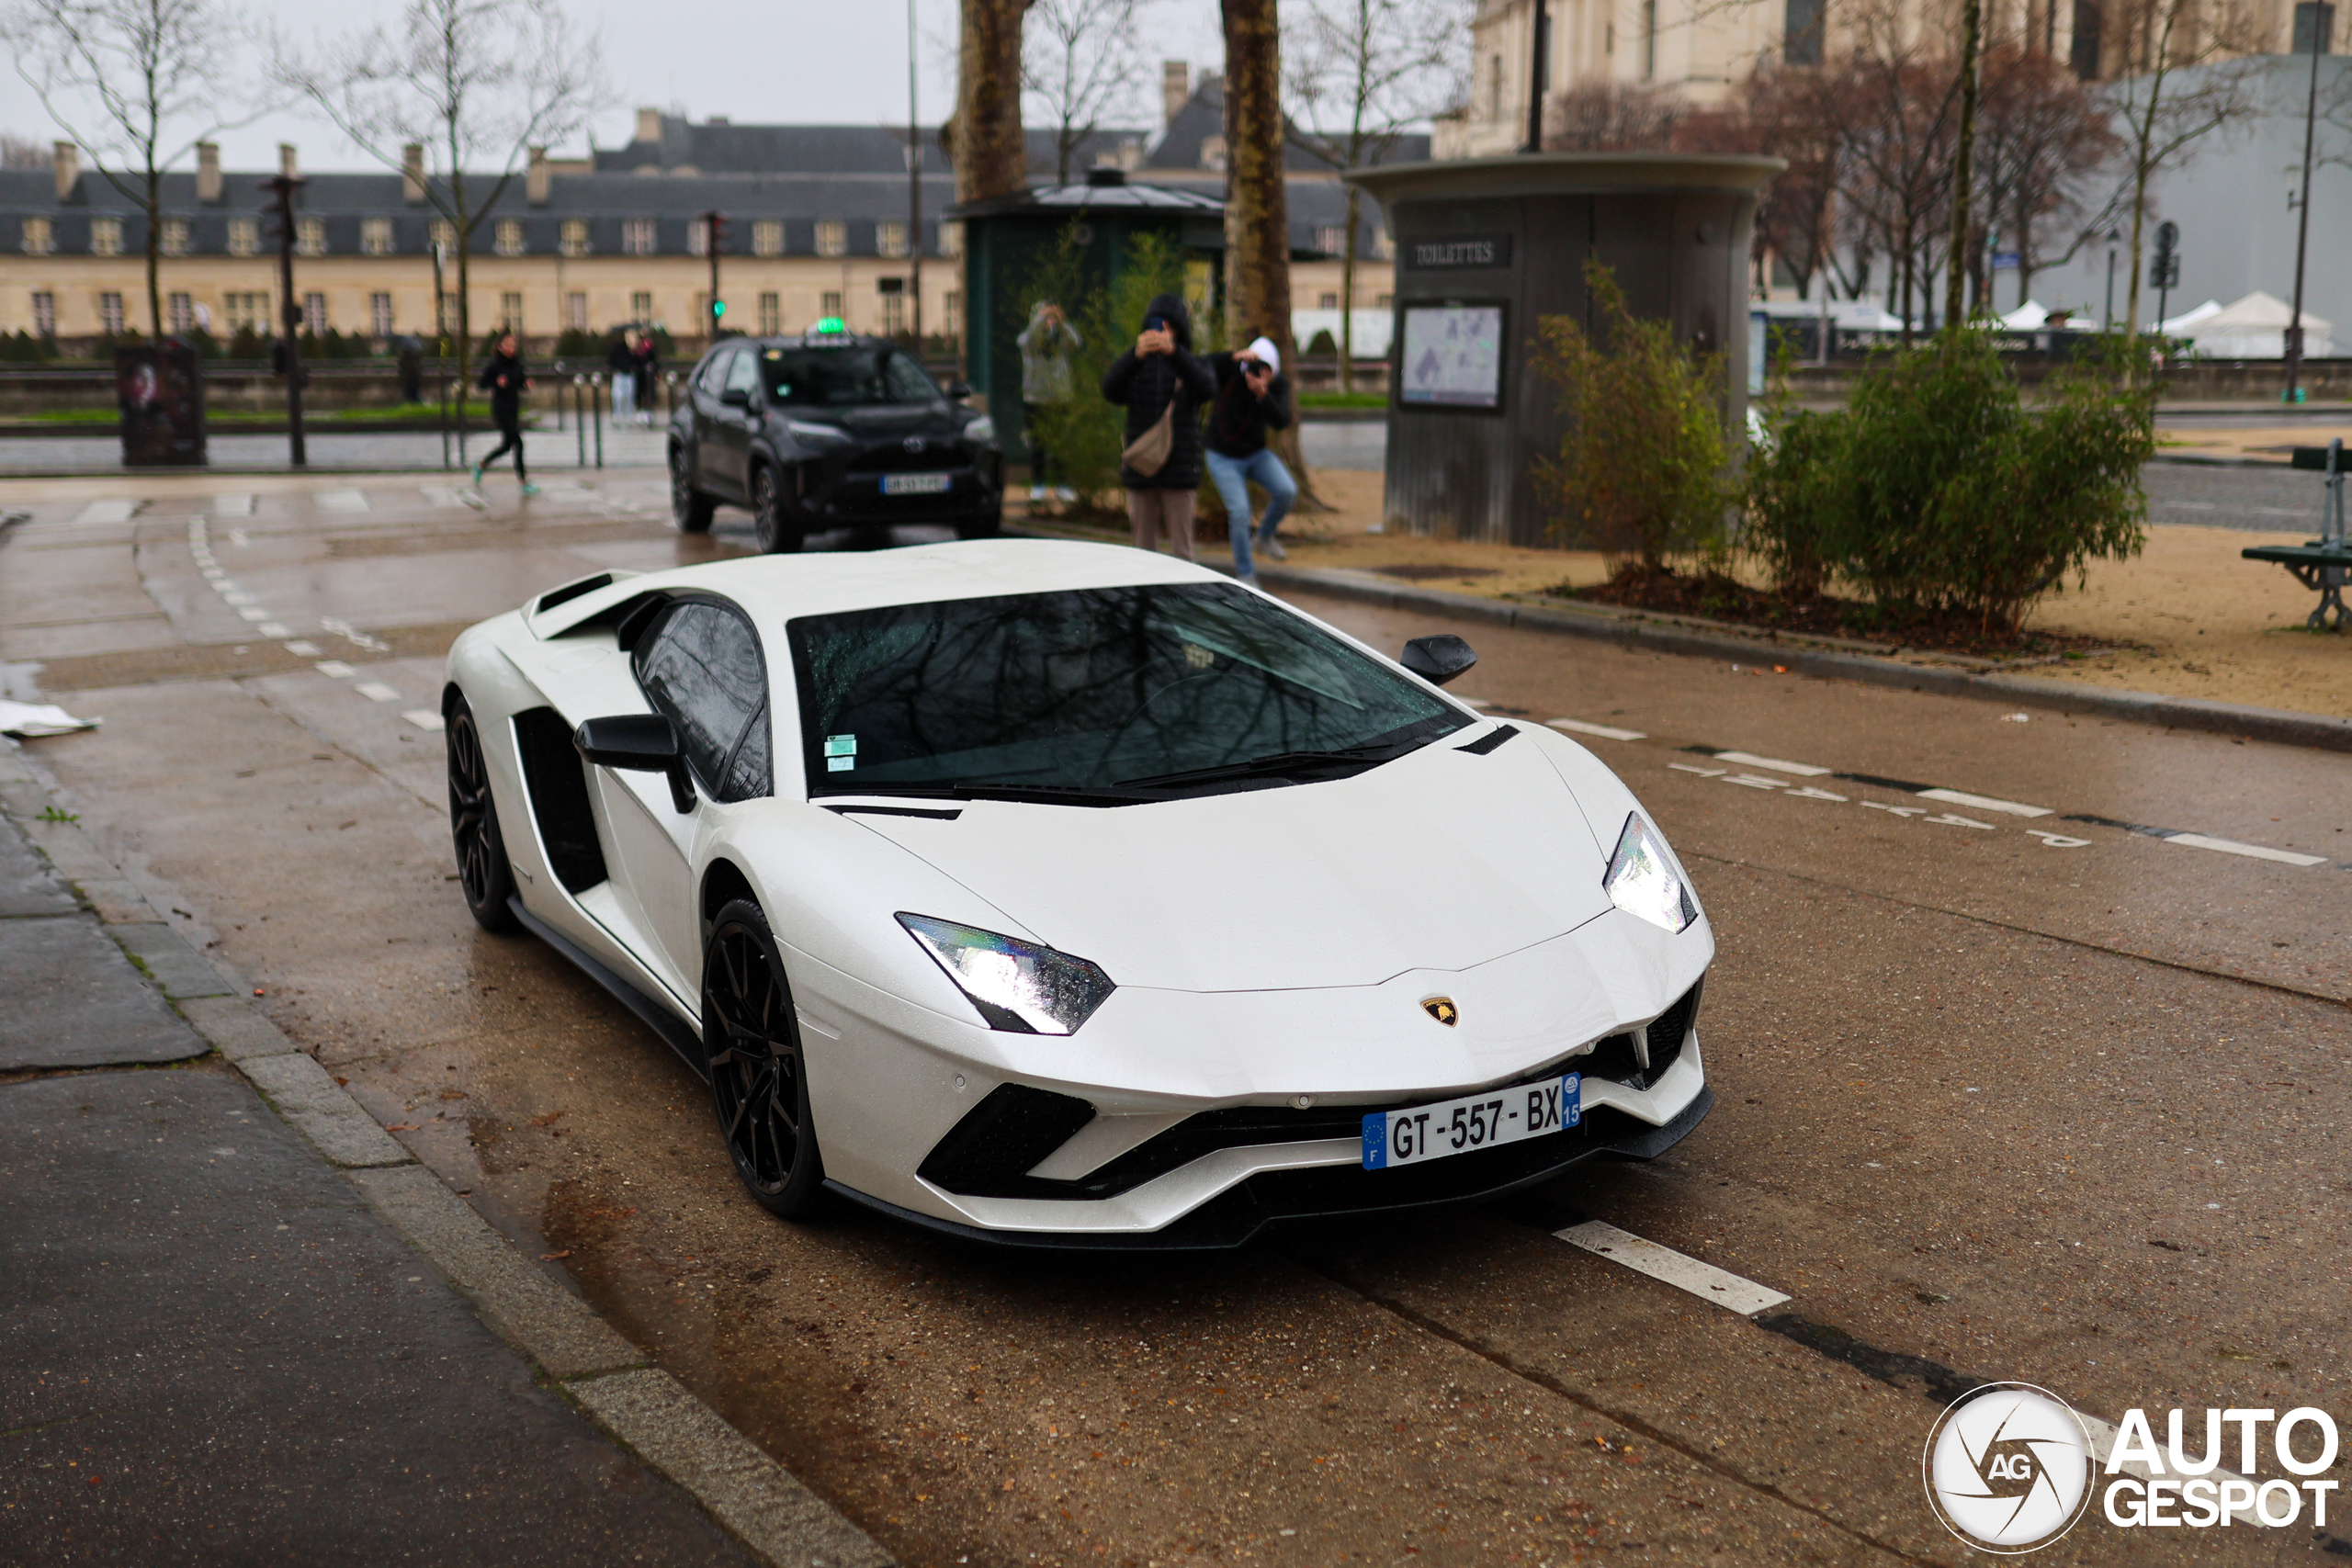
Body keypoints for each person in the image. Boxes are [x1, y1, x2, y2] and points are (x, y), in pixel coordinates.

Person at [1101, 291, 1213, 561]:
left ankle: (1181, 602)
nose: (1160, 332)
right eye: (1154, 325)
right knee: (1143, 552)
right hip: (1141, 467)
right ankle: (1144, 601)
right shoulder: (1136, 365)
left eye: (1167, 326)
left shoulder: (1190, 363)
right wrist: (1134, 355)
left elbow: (1207, 388)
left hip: (1180, 469)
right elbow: (1110, 390)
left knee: (1182, 552)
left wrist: (1175, 353)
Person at [1202, 335, 1297, 585]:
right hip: (1222, 456)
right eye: (1257, 367)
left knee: (1287, 491)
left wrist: (1263, 394)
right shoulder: (1231, 371)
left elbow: (1282, 420)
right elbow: (1199, 365)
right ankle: (1245, 574)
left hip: (1255, 454)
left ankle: (1264, 537)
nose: (1259, 373)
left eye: (1266, 370)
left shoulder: (1277, 384)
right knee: (1240, 512)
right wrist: (1232, 357)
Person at [1016, 300, 1081, 502]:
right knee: (1038, 445)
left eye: (1050, 319)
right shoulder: (1028, 340)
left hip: (1060, 399)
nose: (1048, 322)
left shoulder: (1061, 339)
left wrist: (1061, 322)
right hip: (1035, 399)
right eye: (1044, 318)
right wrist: (1041, 317)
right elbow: (1029, 337)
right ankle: (1039, 485)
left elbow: (1076, 342)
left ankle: (1062, 485)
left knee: (1062, 445)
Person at [472, 332, 538, 495]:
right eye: (508, 344)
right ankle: (523, 482)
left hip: (513, 407)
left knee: (507, 445)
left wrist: (526, 384)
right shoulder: (494, 365)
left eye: (513, 345)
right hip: (500, 408)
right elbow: (481, 385)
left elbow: (519, 383)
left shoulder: (517, 363)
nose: (511, 348)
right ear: (500, 346)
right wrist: (496, 382)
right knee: (519, 443)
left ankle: (482, 464)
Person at [606, 327, 638, 424]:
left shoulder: (627, 349)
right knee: (617, 396)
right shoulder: (615, 349)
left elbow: (633, 360)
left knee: (629, 396)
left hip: (628, 374)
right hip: (619, 374)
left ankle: (629, 414)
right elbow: (611, 361)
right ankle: (617, 414)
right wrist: (614, 369)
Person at [633, 332, 660, 426]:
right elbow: (635, 362)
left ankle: (649, 412)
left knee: (649, 393)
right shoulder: (637, 350)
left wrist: (655, 372)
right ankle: (640, 412)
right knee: (640, 394)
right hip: (640, 375)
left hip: (649, 376)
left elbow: (655, 361)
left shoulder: (650, 349)